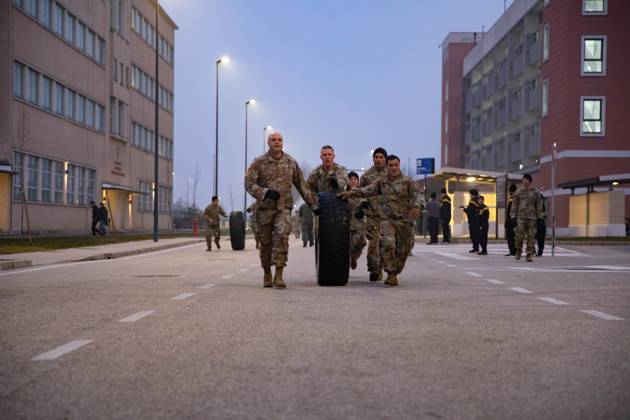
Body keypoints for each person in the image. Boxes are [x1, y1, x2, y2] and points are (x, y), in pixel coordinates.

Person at [245, 131, 317, 288]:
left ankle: (279, 274)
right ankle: (267, 272)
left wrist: (313, 205)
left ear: (282, 142)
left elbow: (302, 185)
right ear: (268, 142)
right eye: (273, 140)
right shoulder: (259, 162)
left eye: (279, 140)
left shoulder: (290, 162)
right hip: (264, 210)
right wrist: (264, 193)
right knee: (265, 243)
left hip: (283, 208)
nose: (277, 142)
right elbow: (249, 183)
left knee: (282, 237)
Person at [339, 155, 421, 287]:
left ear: (399, 166)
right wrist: (351, 193)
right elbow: (367, 190)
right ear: (387, 167)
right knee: (387, 243)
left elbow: (418, 195)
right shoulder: (381, 182)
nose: (394, 168)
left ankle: (395, 269)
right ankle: (391, 274)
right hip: (387, 220)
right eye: (391, 165)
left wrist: (417, 207)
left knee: (403, 250)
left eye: (396, 165)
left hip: (405, 220)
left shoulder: (408, 181)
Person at [360, 147, 388, 282]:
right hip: (372, 214)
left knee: (385, 244)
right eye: (376, 157)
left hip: (388, 216)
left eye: (381, 157)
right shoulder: (366, 176)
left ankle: (382, 268)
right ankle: (374, 269)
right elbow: (361, 192)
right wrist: (363, 203)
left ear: (385, 159)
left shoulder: (392, 173)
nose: (378, 159)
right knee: (373, 243)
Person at [511, 174, 543, 262]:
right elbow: (514, 205)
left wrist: (540, 217)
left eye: (526, 179)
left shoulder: (535, 192)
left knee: (531, 236)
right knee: (519, 235)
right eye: (523, 179)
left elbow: (539, 205)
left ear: (530, 181)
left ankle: (529, 254)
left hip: (532, 217)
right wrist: (513, 217)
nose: (525, 181)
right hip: (521, 217)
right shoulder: (518, 192)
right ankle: (518, 251)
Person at [346, 171, 368, 270]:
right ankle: (347, 260)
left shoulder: (363, 194)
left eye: (355, 179)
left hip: (360, 224)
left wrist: (364, 207)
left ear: (358, 182)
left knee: (360, 243)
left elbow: (368, 203)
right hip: (346, 224)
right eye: (351, 179)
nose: (353, 181)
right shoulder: (344, 194)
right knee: (348, 244)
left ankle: (354, 257)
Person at [504, 184, 518, 256]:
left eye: (511, 192)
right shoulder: (511, 199)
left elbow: (511, 212)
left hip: (513, 221)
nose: (510, 193)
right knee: (510, 238)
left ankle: (514, 251)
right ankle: (512, 251)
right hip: (510, 221)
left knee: (513, 237)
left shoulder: (515, 199)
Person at [535, 192, 547, 257]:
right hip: (540, 221)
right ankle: (540, 251)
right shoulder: (541, 204)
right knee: (540, 238)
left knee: (537, 237)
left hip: (537, 221)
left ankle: (538, 251)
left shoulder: (540, 205)